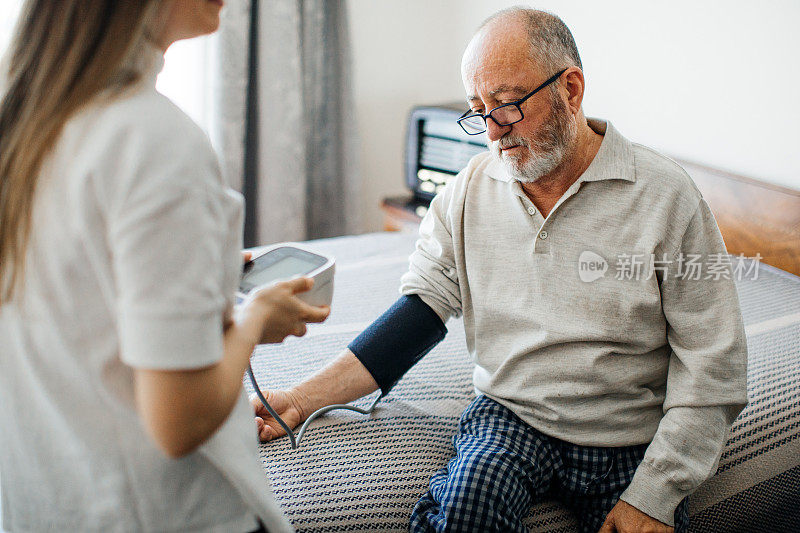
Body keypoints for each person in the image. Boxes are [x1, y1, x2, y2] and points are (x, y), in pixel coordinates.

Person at [252, 7, 748, 533]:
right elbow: (419, 312)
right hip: (511, 416)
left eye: (508, 107)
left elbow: (713, 365)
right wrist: (300, 400)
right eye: (477, 110)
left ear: (571, 89)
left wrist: (654, 495)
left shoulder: (667, 197)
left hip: (628, 433)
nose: (492, 132)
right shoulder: (469, 190)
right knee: (464, 510)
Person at [0, 1, 330, 531]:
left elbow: (73, 304)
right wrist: (252, 322)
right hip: (159, 512)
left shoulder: (25, 122)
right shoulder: (154, 142)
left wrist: (201, 276)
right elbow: (179, 421)